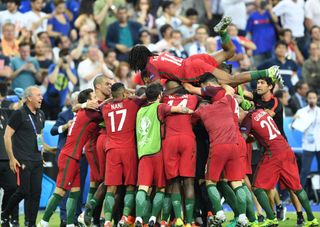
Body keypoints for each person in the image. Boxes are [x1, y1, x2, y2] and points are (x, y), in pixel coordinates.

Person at [129, 17, 282, 86]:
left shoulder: (150, 66)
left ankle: (267, 72)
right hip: (193, 59)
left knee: (231, 79)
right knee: (230, 51)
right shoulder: (158, 55)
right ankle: (222, 32)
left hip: (192, 69)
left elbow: (155, 90)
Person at [240, 108, 319, 227]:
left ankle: (271, 218)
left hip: (273, 153)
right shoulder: (261, 112)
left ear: (240, 112)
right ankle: (312, 219)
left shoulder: (247, 119)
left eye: (236, 117)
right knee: (297, 188)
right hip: (286, 149)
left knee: (256, 188)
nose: (237, 120)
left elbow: (242, 139)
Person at [37, 89, 102, 227]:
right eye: (95, 97)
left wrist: (81, 105)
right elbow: (107, 112)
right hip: (69, 157)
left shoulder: (82, 111)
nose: (97, 99)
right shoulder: (89, 113)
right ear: (88, 101)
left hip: (73, 156)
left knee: (75, 192)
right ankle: (43, 222)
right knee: (60, 191)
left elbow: (77, 107)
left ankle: (70, 223)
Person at [135, 83, 193, 227]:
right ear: (160, 95)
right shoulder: (159, 107)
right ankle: (154, 218)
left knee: (143, 188)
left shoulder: (139, 111)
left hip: (143, 153)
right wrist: (191, 111)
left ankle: (138, 218)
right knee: (161, 188)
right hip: (157, 152)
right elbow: (178, 108)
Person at [192, 79, 249, 227]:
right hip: (234, 147)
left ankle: (219, 212)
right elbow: (230, 90)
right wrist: (223, 83)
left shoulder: (203, 110)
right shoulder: (226, 102)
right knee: (237, 183)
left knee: (210, 182)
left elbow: (191, 118)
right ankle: (243, 217)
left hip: (218, 148)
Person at [1, 86, 47, 227]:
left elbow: (39, 135)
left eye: (41, 95)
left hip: (37, 160)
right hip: (23, 159)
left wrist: (42, 154)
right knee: (23, 191)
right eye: (38, 95)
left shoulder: (41, 114)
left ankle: (30, 223)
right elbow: (7, 135)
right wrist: (11, 158)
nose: (41, 98)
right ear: (29, 98)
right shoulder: (19, 114)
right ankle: (4, 213)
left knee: (36, 193)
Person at [161, 81, 198, 227]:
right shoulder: (193, 98)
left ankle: (179, 219)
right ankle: (189, 222)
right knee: (188, 182)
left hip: (169, 140)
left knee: (174, 180)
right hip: (187, 139)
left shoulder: (164, 99)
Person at [50, 91, 79, 227]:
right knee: (63, 189)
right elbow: (53, 130)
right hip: (66, 156)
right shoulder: (64, 115)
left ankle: (75, 218)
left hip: (80, 157)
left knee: (77, 189)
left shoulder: (87, 114)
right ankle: (63, 218)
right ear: (74, 102)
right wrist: (65, 126)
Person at [294, 90, 320, 188]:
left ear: (317, 99)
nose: (312, 100)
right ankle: (299, 194)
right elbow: (294, 126)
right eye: (310, 98)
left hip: (319, 144)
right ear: (307, 99)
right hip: (308, 145)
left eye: (314, 98)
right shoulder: (301, 112)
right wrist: (294, 119)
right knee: (305, 170)